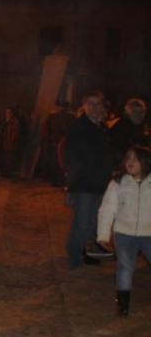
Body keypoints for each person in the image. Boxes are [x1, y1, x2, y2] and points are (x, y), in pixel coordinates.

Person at [97, 145, 151, 317]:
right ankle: (123, 306)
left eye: (135, 159)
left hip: (149, 233)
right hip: (124, 234)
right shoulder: (118, 182)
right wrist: (103, 234)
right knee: (125, 268)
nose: (130, 162)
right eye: (128, 158)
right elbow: (107, 209)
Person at [64, 91, 115, 268]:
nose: (94, 107)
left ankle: (89, 254)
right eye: (90, 103)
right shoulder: (79, 127)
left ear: (102, 106)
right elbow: (73, 155)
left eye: (97, 104)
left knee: (94, 222)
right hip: (84, 183)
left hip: (100, 182)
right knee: (82, 222)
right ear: (84, 106)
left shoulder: (102, 128)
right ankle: (75, 257)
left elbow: (107, 154)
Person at [109, 98, 149, 163]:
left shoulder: (142, 128)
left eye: (141, 112)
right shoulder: (120, 128)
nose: (138, 115)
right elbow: (117, 152)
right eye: (134, 111)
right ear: (127, 112)